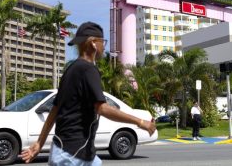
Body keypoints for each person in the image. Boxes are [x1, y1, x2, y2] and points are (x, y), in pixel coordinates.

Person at [20, 22, 156, 165]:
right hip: (73, 155)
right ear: (93, 43)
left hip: (69, 152)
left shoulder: (71, 70)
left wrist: (40, 143)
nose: (104, 47)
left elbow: (55, 109)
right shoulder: (88, 69)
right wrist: (141, 122)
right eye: (102, 42)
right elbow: (102, 108)